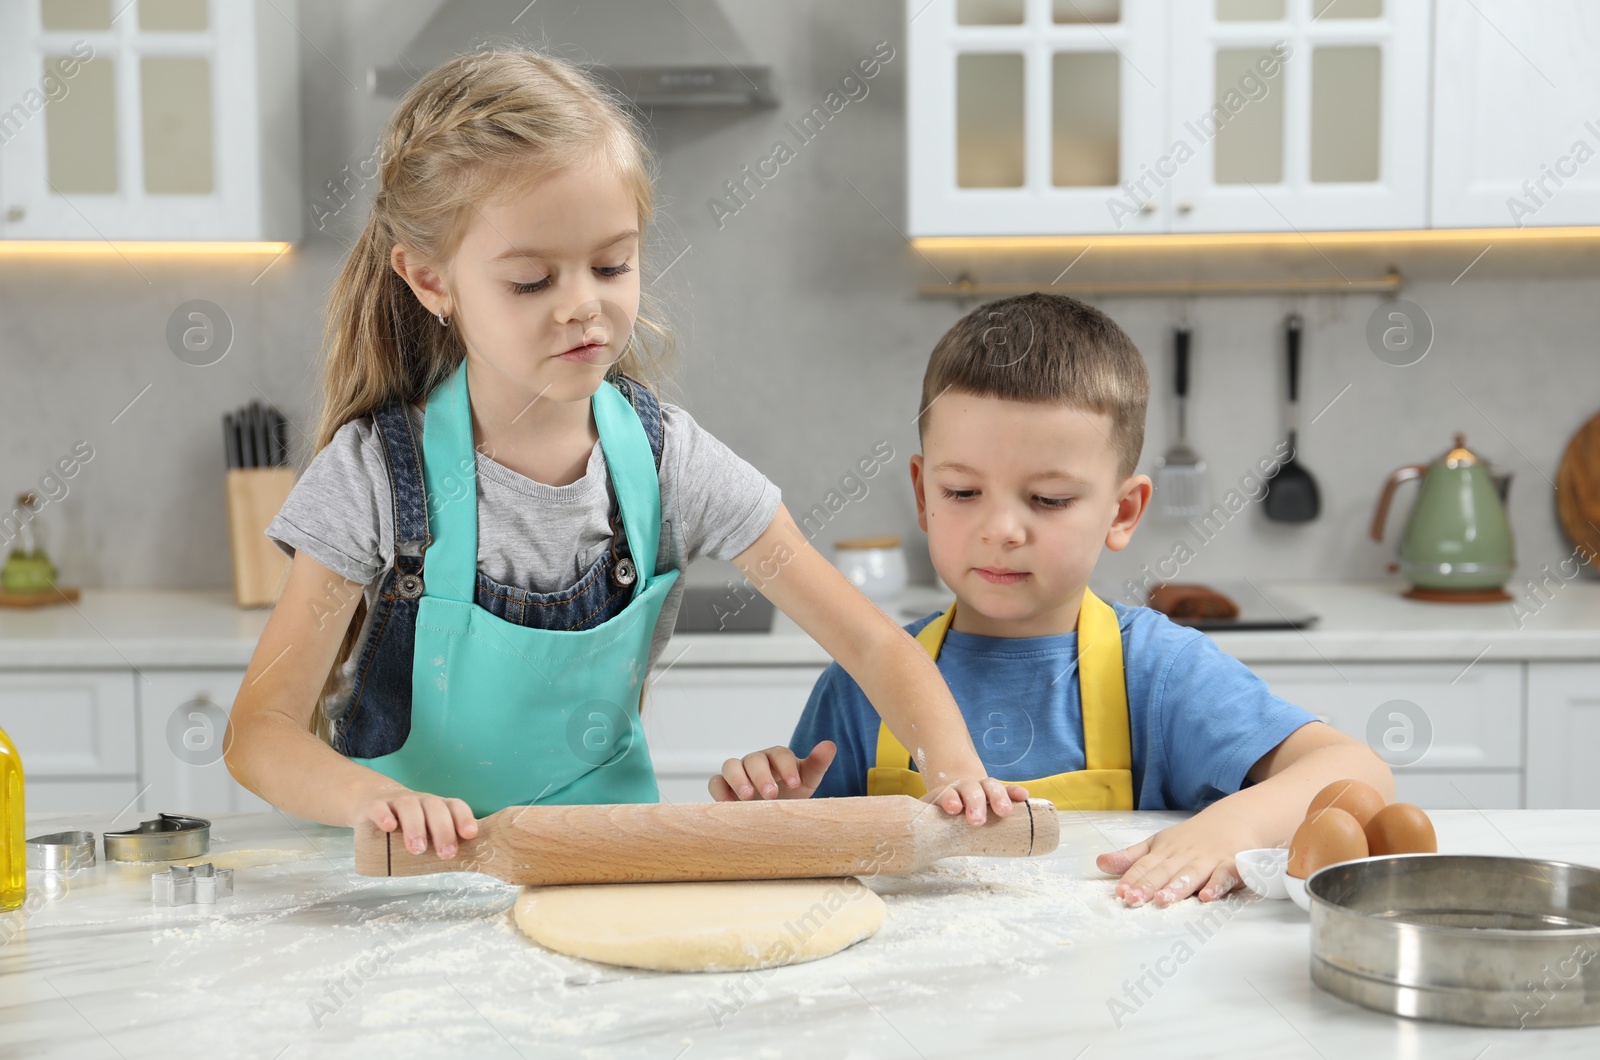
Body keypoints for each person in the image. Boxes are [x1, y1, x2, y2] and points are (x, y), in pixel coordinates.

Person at [224, 48, 1021, 862]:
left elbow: (875, 644)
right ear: (431, 281)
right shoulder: (373, 479)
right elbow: (260, 732)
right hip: (401, 886)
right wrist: (376, 800)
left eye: (612, 264)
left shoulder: (670, 462)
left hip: (600, 871)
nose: (585, 306)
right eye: (532, 281)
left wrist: (956, 771)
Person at [711, 293, 1395, 907]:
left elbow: (1357, 769)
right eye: (962, 492)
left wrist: (1232, 825)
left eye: (1048, 499)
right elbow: (803, 878)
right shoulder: (863, 686)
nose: (1001, 528)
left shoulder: (1156, 672)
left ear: (1123, 511)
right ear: (922, 494)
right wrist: (778, 810)